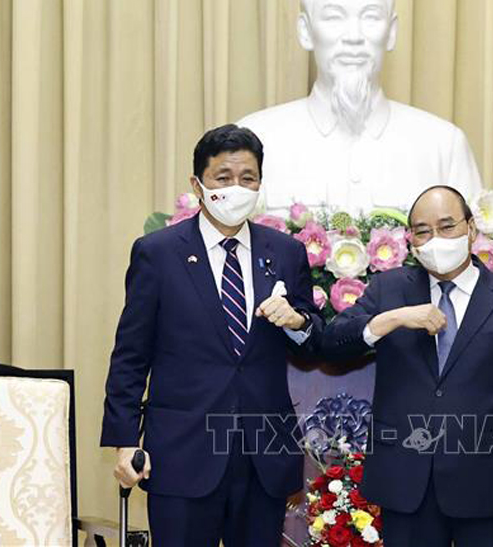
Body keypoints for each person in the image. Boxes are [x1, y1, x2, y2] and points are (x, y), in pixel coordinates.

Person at [100, 124, 325, 545]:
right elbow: (131, 354)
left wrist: (298, 322)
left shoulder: (285, 252)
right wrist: (124, 441)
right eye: (223, 177)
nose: (236, 188)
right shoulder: (158, 253)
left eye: (248, 178)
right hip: (183, 452)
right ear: (198, 184)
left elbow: (314, 340)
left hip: (263, 454)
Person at [322, 185, 493, 547]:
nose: (435, 239)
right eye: (423, 231)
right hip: (407, 486)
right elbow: (332, 344)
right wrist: (391, 319)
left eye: (447, 227)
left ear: (471, 229)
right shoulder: (389, 290)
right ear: (411, 240)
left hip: (489, 488)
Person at [238, 0, 482, 215]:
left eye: (371, 17)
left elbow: (474, 239)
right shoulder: (257, 139)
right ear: (306, 31)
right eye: (334, 17)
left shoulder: (442, 146)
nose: (353, 37)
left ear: (391, 32)